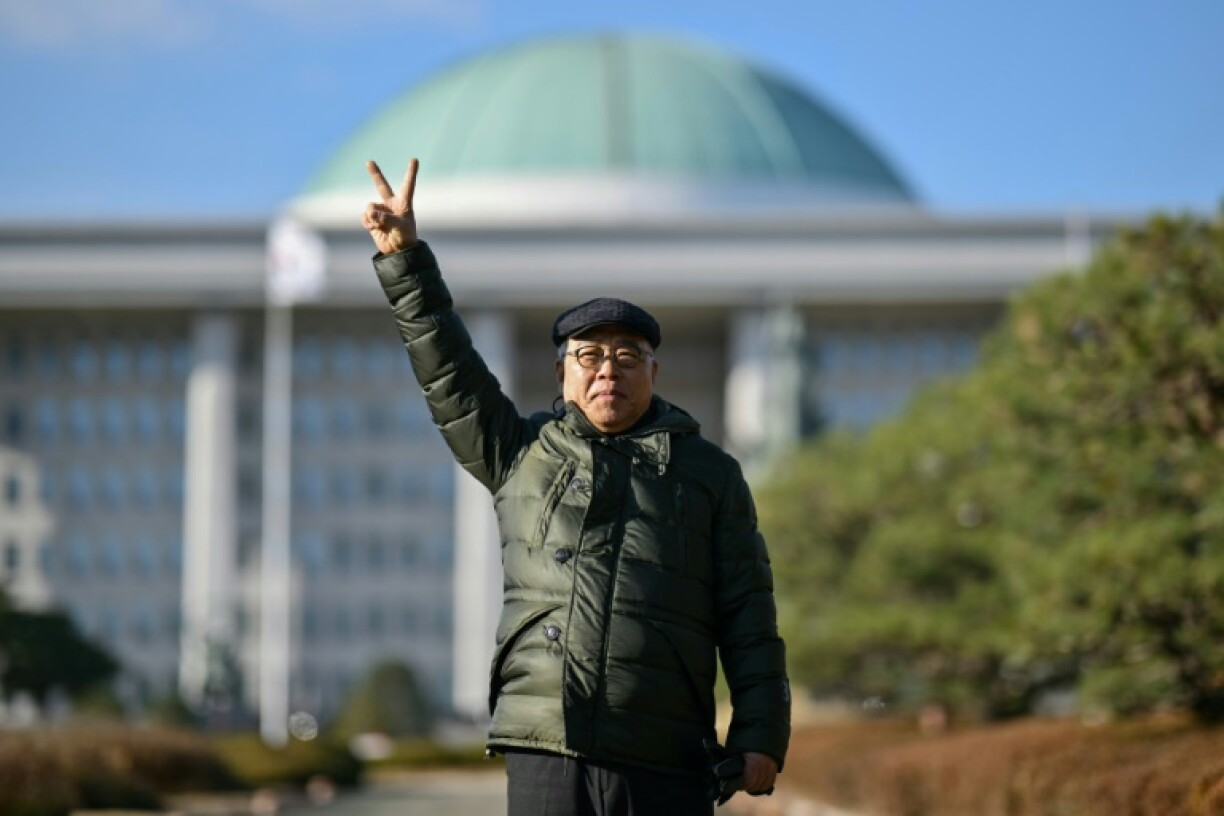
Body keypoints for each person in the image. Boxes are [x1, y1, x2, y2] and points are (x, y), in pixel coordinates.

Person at [362, 158, 790, 815]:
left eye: (627, 356)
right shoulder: (520, 452)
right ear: (563, 374)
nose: (608, 371)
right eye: (589, 356)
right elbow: (449, 372)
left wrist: (760, 736)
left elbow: (749, 617)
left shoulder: (708, 473)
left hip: (667, 751)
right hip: (546, 745)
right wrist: (405, 260)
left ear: (654, 372)